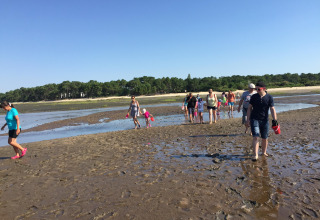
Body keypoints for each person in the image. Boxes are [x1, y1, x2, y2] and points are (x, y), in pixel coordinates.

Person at [246, 82, 278, 161]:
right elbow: (249, 108)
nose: (257, 90)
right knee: (256, 136)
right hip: (254, 119)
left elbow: (272, 109)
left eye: (258, 89)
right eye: (256, 89)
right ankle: (255, 154)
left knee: (265, 138)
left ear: (264, 89)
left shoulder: (269, 97)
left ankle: (263, 152)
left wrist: (275, 120)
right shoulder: (253, 97)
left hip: (264, 120)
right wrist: (248, 120)